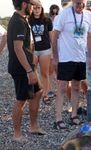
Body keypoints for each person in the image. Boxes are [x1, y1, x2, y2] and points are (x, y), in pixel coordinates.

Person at [52, 0, 91, 129]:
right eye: (77, 3)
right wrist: (55, 57)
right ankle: (58, 118)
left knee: (77, 87)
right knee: (62, 88)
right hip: (65, 58)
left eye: (82, 3)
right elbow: (55, 37)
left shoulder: (88, 15)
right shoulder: (64, 15)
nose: (80, 5)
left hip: (80, 58)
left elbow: (89, 37)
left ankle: (74, 115)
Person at [7, 0, 46, 143]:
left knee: (38, 92)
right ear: (24, 4)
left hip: (28, 66)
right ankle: (16, 134)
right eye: (31, 4)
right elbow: (18, 48)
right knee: (21, 100)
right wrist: (29, 70)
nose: (33, 7)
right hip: (21, 68)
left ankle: (33, 127)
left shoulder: (22, 20)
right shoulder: (17, 21)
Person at [29, 3, 53, 104]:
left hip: (45, 50)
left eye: (38, 8)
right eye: (34, 8)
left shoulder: (47, 20)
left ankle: (45, 94)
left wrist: (53, 51)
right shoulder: (28, 20)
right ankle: (33, 92)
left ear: (41, 8)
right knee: (32, 71)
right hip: (33, 50)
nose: (36, 10)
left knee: (44, 73)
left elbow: (51, 36)